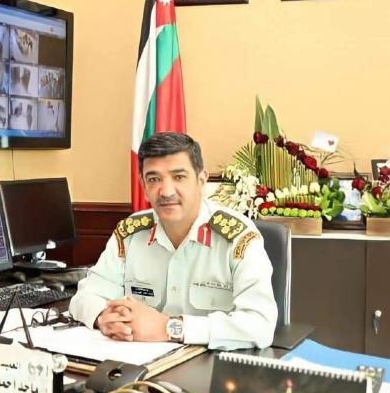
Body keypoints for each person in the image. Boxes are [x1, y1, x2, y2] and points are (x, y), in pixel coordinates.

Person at [69, 132, 277, 350]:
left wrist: (170, 328)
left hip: (211, 365)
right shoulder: (130, 233)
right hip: (136, 361)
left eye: (179, 177)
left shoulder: (237, 237)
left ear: (201, 180)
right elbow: (85, 296)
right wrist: (104, 317)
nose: (166, 191)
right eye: (154, 179)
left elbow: (261, 325)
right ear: (143, 186)